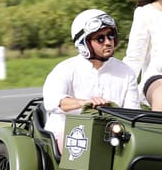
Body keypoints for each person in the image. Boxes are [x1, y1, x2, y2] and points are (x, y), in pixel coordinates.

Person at [42, 9, 140, 150]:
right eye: (100, 38)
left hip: (112, 136)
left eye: (110, 35)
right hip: (67, 134)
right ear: (84, 44)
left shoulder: (126, 72)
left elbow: (132, 112)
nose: (108, 42)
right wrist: (85, 103)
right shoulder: (65, 69)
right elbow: (53, 102)